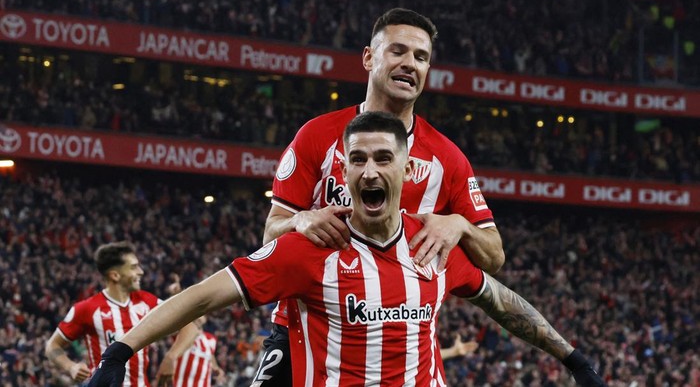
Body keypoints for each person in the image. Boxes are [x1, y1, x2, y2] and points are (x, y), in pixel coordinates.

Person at [87, 112, 604, 386]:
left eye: (384, 158)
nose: (371, 170)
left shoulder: (434, 244)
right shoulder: (309, 248)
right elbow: (205, 295)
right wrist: (120, 350)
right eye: (358, 159)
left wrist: (573, 358)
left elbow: (503, 302)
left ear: (407, 169)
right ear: (345, 169)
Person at [256, 7, 505, 385]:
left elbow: (494, 255)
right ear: (369, 57)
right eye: (398, 51)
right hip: (304, 330)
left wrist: (460, 225)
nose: (410, 64)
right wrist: (299, 219)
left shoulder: (447, 159)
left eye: (421, 57)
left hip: (394, 342)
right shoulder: (317, 135)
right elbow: (270, 236)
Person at [44, 241, 201, 386]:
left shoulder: (147, 302)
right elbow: (52, 346)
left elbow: (191, 326)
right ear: (115, 275)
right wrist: (71, 367)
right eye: (133, 267)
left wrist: (171, 357)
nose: (141, 272)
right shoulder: (87, 309)